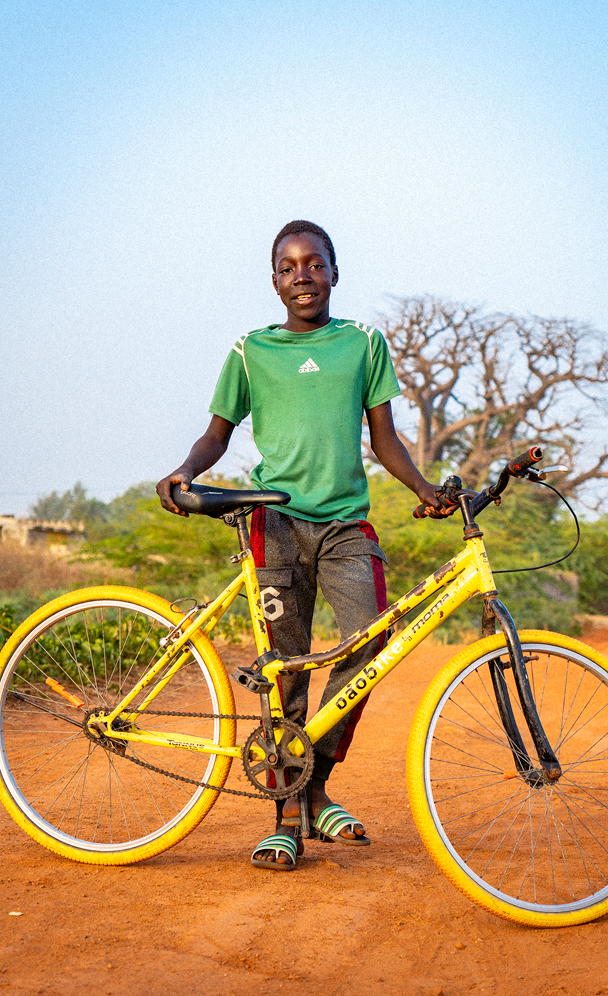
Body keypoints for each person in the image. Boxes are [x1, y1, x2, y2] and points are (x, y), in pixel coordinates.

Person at [156, 220, 445, 870]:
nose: (302, 276)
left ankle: (315, 787)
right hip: (275, 523)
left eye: (315, 264)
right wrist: (185, 470)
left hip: (347, 525)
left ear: (335, 273)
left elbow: (385, 440)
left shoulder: (364, 344)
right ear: (274, 280)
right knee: (283, 673)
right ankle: (286, 815)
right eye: (288, 267)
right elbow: (217, 434)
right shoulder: (249, 349)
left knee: (367, 641)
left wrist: (425, 486)